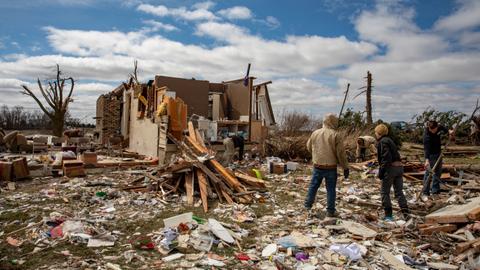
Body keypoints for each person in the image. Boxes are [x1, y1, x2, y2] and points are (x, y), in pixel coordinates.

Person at [304, 113, 349, 218]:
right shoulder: (336, 135)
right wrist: (345, 167)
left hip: (317, 165)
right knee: (330, 189)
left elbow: (308, 146)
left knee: (313, 186)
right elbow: (340, 153)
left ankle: (307, 205)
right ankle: (330, 211)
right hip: (330, 167)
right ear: (334, 122)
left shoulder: (315, 133)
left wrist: (316, 155)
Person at [375, 124, 409, 221]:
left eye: (376, 133)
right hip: (399, 168)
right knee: (399, 192)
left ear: (379, 133)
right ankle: (406, 214)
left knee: (384, 192)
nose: (375, 134)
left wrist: (381, 172)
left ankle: (388, 216)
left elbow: (386, 158)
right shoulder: (390, 140)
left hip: (391, 169)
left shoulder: (382, 142)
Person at [423, 120, 450, 196]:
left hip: (438, 153)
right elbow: (426, 149)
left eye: (434, 130)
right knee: (429, 173)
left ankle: (435, 190)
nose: (433, 132)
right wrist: (427, 160)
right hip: (430, 155)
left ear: (436, 127)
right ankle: (425, 191)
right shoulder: (426, 136)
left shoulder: (438, 127)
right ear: (429, 127)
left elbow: (443, 128)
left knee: (438, 172)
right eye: (431, 130)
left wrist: (449, 132)